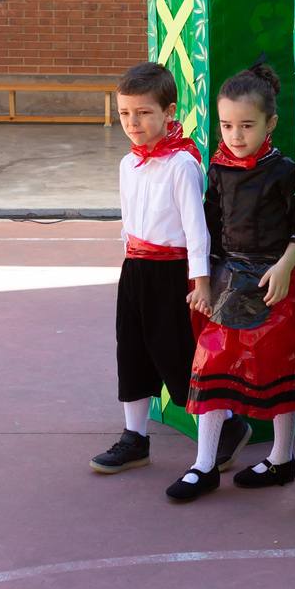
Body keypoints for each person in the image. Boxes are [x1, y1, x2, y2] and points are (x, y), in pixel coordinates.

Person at [176, 64, 295, 501]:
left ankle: (282, 458)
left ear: (271, 123)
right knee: (209, 364)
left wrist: (286, 265)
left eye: (247, 125)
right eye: (227, 125)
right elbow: (209, 227)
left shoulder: (284, 171)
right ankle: (204, 464)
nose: (235, 134)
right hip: (230, 279)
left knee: (279, 368)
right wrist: (203, 281)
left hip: (273, 282)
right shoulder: (218, 168)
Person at [90, 62, 212, 489]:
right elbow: (130, 220)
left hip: (172, 274)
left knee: (177, 355)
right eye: (124, 113)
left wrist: (201, 282)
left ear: (168, 112)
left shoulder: (182, 164)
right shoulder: (129, 164)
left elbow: (197, 231)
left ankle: (226, 428)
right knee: (133, 351)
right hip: (136, 269)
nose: (133, 123)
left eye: (143, 112)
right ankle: (135, 438)